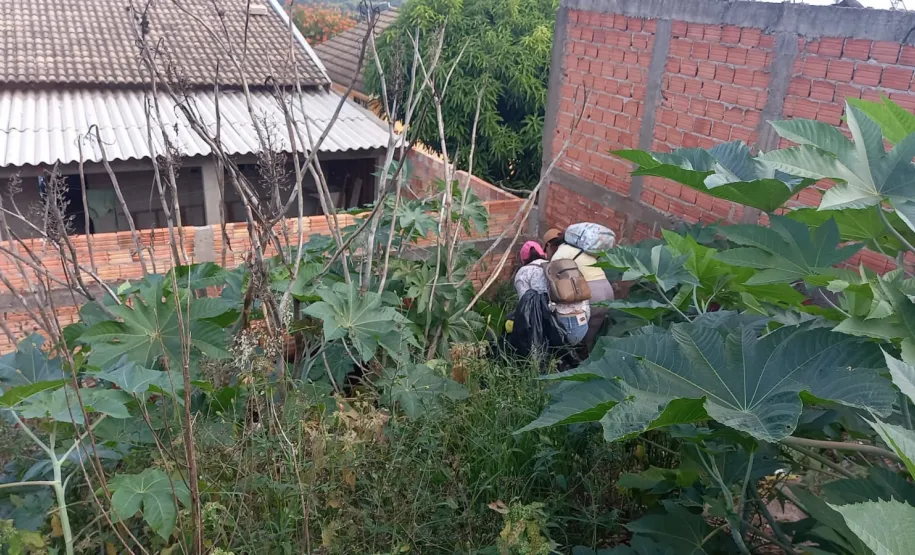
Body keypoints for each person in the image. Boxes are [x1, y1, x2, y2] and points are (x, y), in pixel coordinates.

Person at [542, 228, 614, 347]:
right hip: (607, 291)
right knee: (590, 338)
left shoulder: (562, 252)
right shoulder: (581, 250)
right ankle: (588, 356)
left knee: (576, 333)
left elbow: (551, 281)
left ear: (549, 245)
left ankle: (572, 358)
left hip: (592, 293)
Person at [514, 240, 589, 345]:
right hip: (582, 325)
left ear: (523, 259)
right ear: (543, 254)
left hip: (559, 328)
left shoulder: (523, 273)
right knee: (565, 355)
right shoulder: (555, 267)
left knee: (550, 352)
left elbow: (526, 307)